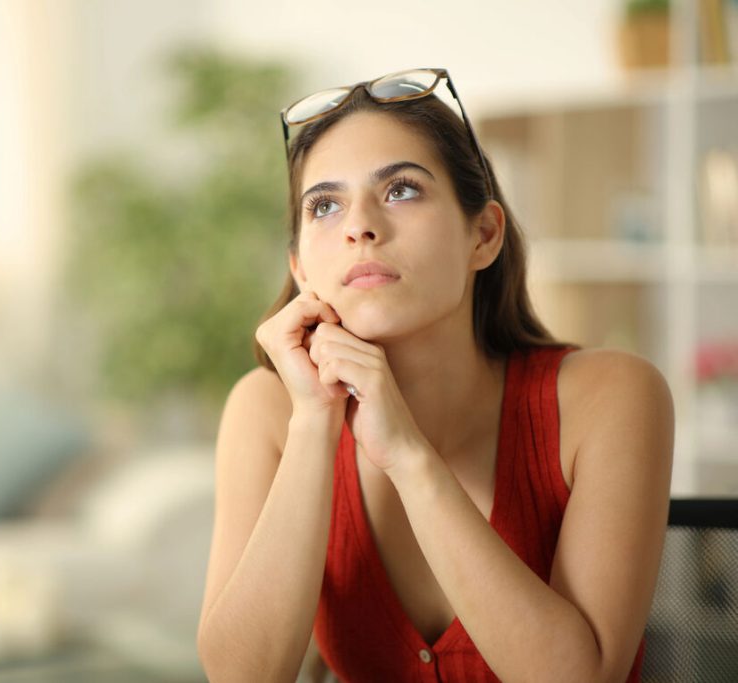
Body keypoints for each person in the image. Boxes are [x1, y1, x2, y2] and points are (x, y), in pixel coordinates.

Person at [195, 68, 673, 682]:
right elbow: (243, 677)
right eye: (325, 205)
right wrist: (315, 421)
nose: (358, 227)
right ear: (300, 267)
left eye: (401, 190)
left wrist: (408, 456)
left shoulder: (611, 396)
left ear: (484, 234)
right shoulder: (267, 411)